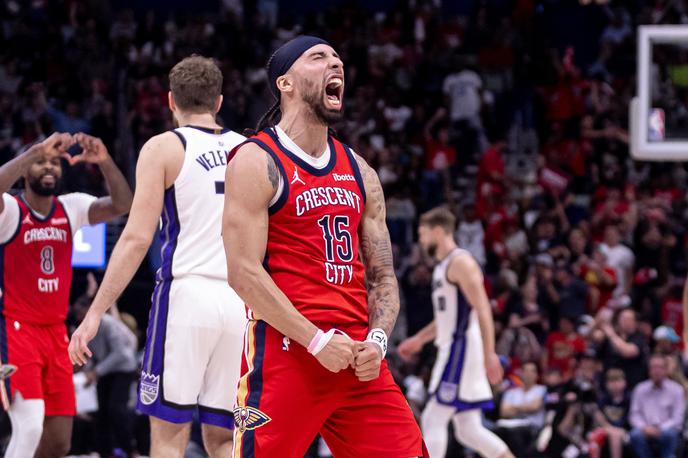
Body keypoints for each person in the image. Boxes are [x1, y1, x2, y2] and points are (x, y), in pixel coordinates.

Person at [222, 36, 425, 457]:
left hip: (357, 359)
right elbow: (243, 272)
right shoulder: (256, 160)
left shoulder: (361, 171)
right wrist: (315, 342)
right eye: (319, 58)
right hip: (289, 354)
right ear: (285, 83)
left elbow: (383, 275)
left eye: (338, 58)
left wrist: (380, 340)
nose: (336, 64)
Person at [69, 55, 247, 457]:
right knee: (223, 437)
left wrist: (95, 312)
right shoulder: (250, 149)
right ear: (219, 102)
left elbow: (135, 238)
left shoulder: (165, 147)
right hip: (241, 301)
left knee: (168, 433)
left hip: (187, 296)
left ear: (170, 101)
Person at [0, 132, 133, 457]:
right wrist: (33, 153)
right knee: (29, 427)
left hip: (57, 334)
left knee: (59, 442)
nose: (48, 168)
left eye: (53, 162)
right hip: (17, 331)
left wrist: (103, 159)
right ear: (28, 167)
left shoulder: (70, 207)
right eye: (41, 162)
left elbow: (122, 204)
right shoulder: (10, 211)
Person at [398, 207, 512, 458]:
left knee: (433, 417)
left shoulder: (462, 262)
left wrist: (489, 353)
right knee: (468, 430)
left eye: (423, 233)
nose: (420, 239)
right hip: (452, 346)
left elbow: (482, 309)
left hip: (462, 348)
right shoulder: (443, 266)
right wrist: (419, 339)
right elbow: (445, 319)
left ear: (438, 232)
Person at [72, 293, 138, 457]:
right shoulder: (84, 329)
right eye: (76, 314)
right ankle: (104, 452)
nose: (78, 317)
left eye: (80, 313)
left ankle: (131, 450)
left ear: (88, 311)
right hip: (106, 370)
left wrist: (96, 372)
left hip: (123, 368)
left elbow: (121, 354)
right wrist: (87, 373)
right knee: (100, 412)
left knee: (116, 409)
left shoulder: (107, 323)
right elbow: (94, 356)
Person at [629, 354, 685, 458]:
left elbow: (678, 418)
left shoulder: (677, 390)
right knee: (635, 435)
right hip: (645, 430)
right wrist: (645, 428)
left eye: (660, 367)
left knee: (670, 435)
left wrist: (660, 429)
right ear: (649, 370)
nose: (657, 371)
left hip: (666, 431)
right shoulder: (640, 389)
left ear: (665, 369)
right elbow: (634, 415)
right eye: (654, 367)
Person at [498, 361, 547, 454]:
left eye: (532, 371)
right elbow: (504, 412)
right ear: (521, 373)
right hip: (510, 424)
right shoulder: (511, 392)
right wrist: (525, 406)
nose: (528, 374)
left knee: (515, 434)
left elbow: (534, 407)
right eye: (526, 371)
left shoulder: (542, 389)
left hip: (532, 427)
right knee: (497, 431)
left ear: (537, 375)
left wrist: (514, 408)